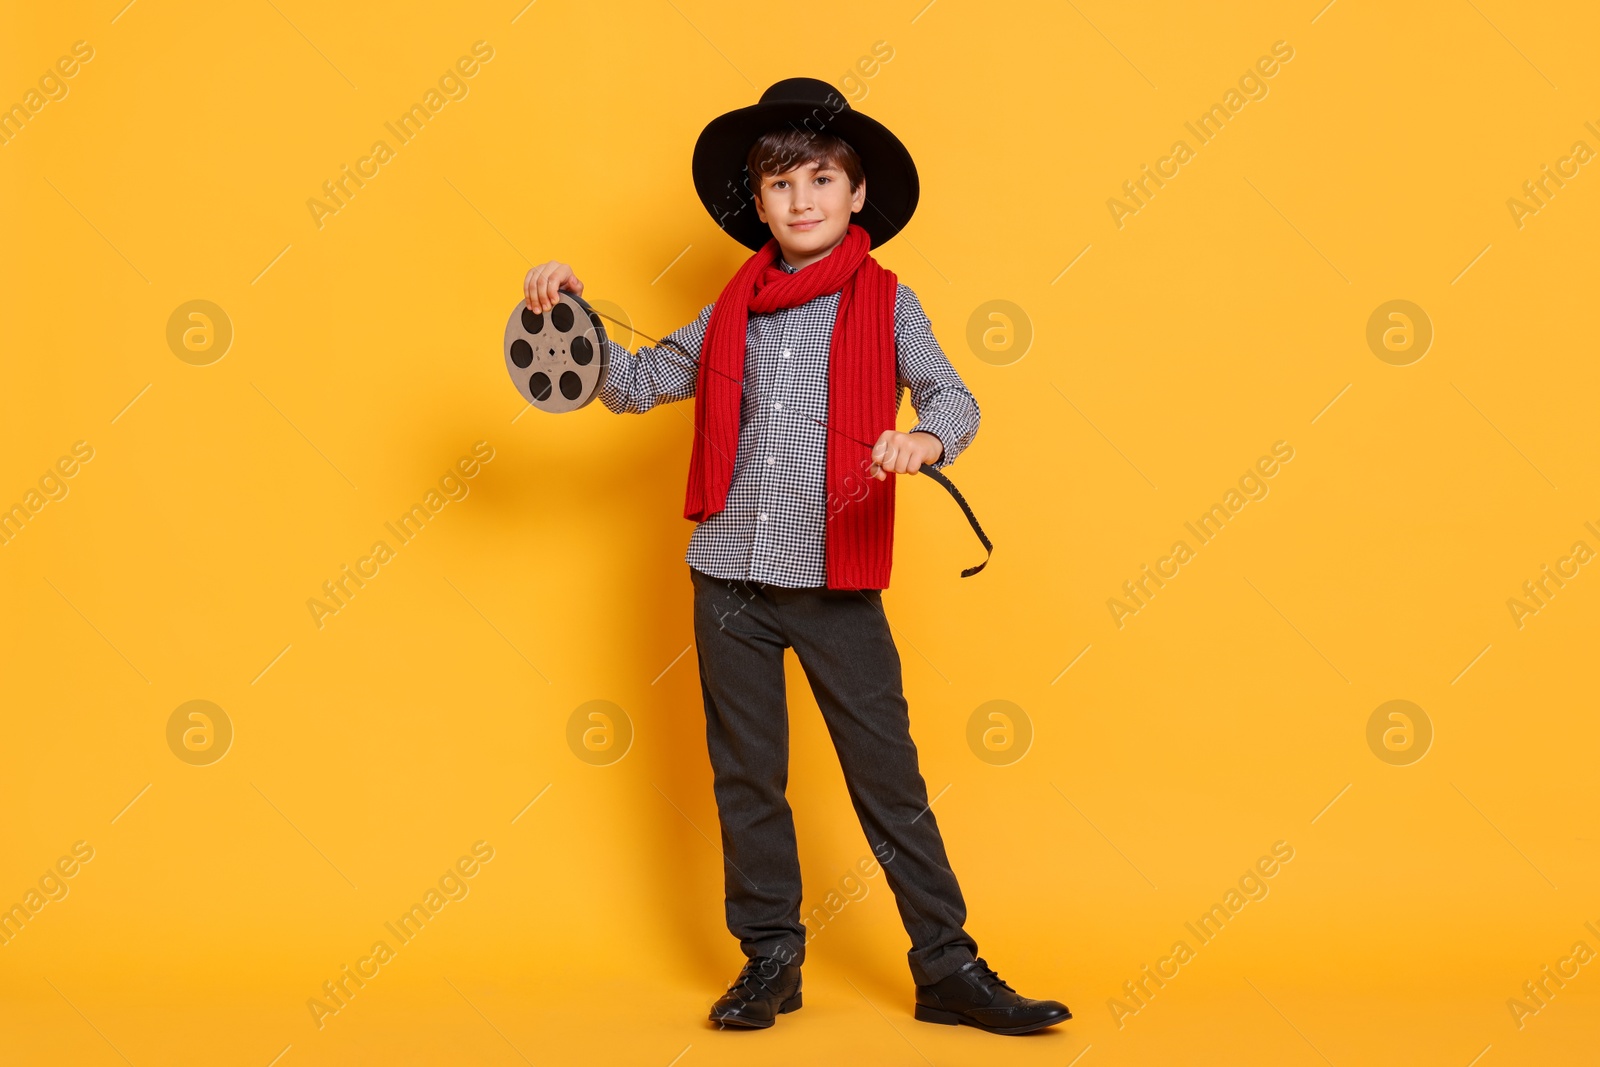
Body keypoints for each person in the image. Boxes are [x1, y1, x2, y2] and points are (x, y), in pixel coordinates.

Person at [522, 77, 1070, 1037]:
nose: (802, 199)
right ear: (758, 201)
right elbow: (636, 385)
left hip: (836, 583)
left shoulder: (890, 304)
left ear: (857, 195)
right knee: (746, 776)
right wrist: (572, 316)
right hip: (728, 580)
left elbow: (954, 397)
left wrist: (925, 441)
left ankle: (947, 964)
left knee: (886, 775)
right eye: (781, 184)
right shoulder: (730, 308)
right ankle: (770, 957)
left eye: (822, 178)